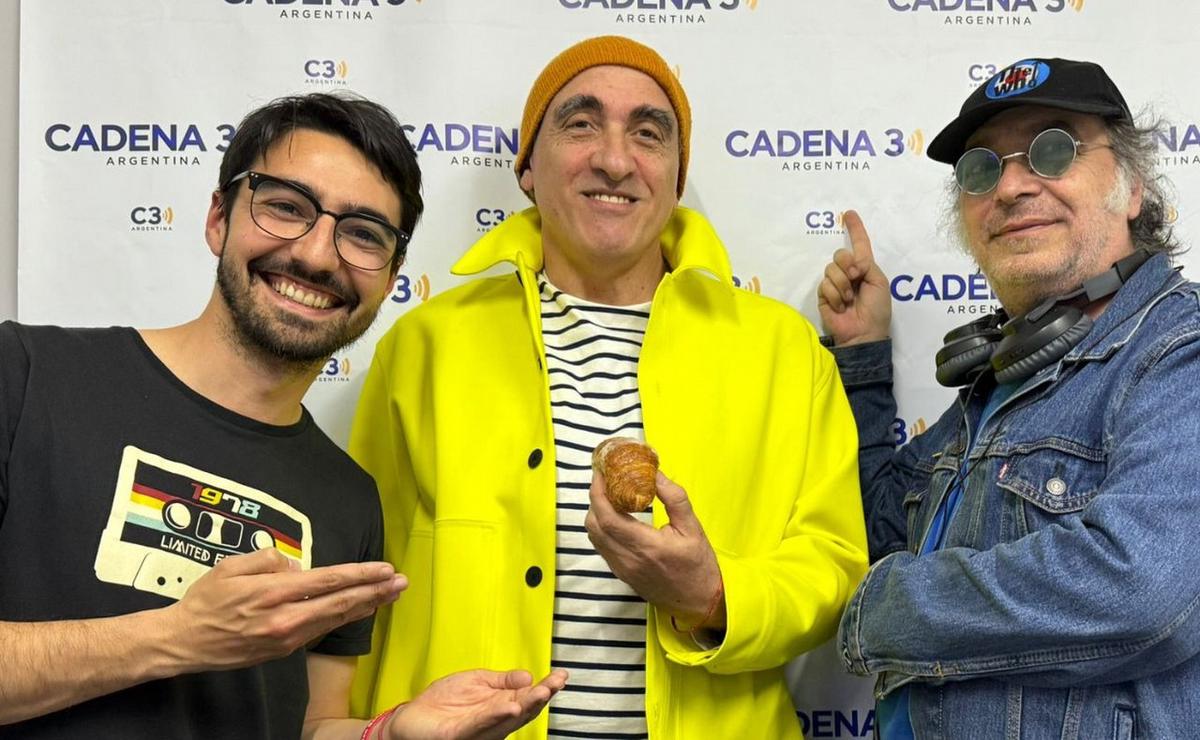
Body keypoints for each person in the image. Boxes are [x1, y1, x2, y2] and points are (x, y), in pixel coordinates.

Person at [0, 92, 564, 740]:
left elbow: (306, 726)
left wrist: (391, 733)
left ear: (391, 275)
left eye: (362, 234)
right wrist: (174, 638)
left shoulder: (349, 499)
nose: (318, 256)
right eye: (287, 208)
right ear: (219, 218)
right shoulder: (26, 377)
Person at [350, 35, 869, 739]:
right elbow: (360, 592)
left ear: (676, 177)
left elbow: (834, 569)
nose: (615, 159)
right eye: (581, 123)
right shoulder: (425, 346)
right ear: (528, 167)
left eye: (648, 134)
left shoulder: (783, 351)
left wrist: (714, 594)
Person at [819, 58, 1200, 738]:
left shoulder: (1180, 350)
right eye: (981, 169)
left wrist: (877, 609)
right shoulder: (996, 384)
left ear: (1133, 185)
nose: (1013, 186)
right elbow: (873, 528)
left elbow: (1141, 589)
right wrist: (865, 360)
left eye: (1054, 149)